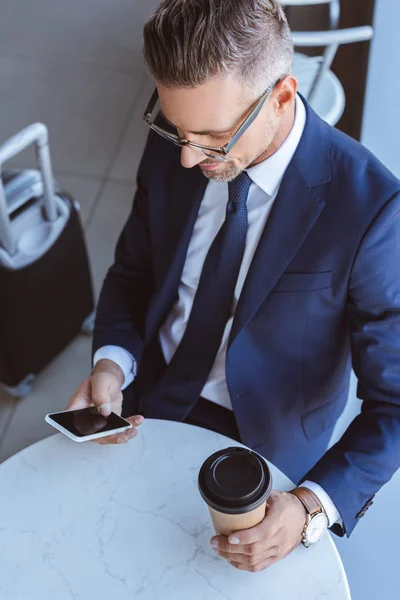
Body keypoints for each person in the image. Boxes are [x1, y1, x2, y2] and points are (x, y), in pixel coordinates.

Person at [67, 0, 400, 573]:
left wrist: (309, 505)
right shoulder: (181, 137)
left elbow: (394, 404)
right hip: (147, 400)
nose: (190, 156)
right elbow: (134, 272)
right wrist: (112, 365)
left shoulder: (373, 210)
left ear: (282, 95)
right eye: (177, 130)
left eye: (215, 138)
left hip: (265, 451)